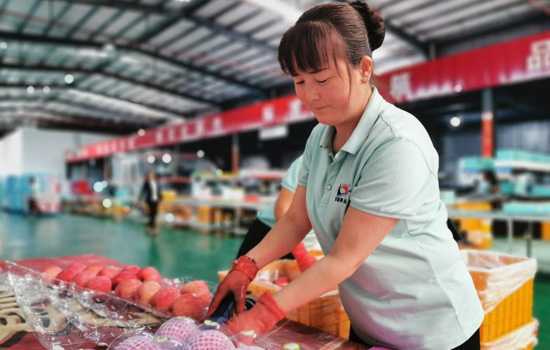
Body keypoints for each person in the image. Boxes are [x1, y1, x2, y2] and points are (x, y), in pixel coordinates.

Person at [207, 2, 483, 349]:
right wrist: (246, 266)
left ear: (364, 69)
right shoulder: (320, 137)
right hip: (370, 322)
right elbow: (295, 219)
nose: (309, 95)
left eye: (321, 79)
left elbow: (343, 259)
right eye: (299, 81)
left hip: (431, 329)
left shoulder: (396, 144)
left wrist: (265, 313)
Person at [236, 155, 318, 269]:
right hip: (272, 230)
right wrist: (301, 254)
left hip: (311, 243)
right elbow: (282, 208)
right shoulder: (311, 158)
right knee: (244, 278)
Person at [139, 170, 162, 235]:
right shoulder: (146, 183)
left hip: (156, 200)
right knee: (151, 214)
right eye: (150, 175)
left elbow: (158, 190)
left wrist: (161, 197)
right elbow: (142, 191)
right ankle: (150, 228)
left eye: (152, 174)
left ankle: (153, 228)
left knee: (155, 213)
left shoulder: (156, 182)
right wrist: (140, 199)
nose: (151, 176)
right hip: (149, 200)